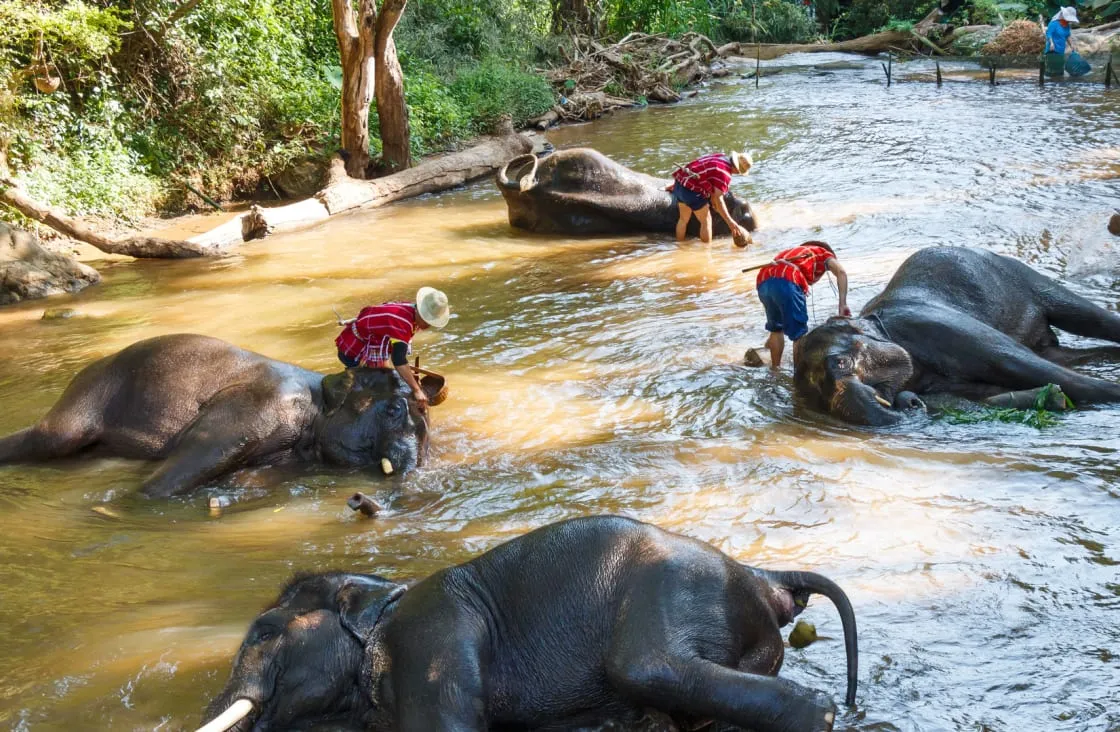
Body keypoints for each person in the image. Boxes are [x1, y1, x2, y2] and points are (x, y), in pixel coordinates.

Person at [334, 286, 450, 411]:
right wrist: (417, 390)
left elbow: (396, 353)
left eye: (431, 323)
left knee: (389, 378)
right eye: (427, 322)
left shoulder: (409, 309)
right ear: (420, 313)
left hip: (372, 343)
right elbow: (399, 360)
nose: (427, 326)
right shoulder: (402, 324)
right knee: (373, 391)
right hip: (354, 350)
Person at [755, 241, 848, 368]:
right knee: (798, 336)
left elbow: (776, 273)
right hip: (788, 280)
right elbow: (841, 272)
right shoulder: (824, 253)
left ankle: (775, 371)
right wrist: (843, 304)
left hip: (764, 280)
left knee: (776, 330)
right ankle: (797, 374)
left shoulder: (791, 252)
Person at [665, 151, 753, 246]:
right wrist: (730, 222)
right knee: (706, 221)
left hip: (681, 183)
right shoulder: (724, 173)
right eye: (739, 172)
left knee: (683, 220)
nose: (737, 173)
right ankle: (707, 252)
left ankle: (679, 246)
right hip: (691, 191)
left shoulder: (719, 156)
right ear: (737, 169)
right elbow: (719, 199)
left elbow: (699, 168)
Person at [1044, 7, 1078, 75]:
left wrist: (1072, 45)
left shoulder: (1067, 26)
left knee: (1059, 72)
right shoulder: (1054, 23)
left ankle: (1058, 84)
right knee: (1052, 71)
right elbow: (1049, 34)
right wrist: (1051, 43)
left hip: (1061, 50)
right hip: (1052, 50)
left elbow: (1067, 35)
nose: (1069, 21)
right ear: (1063, 15)